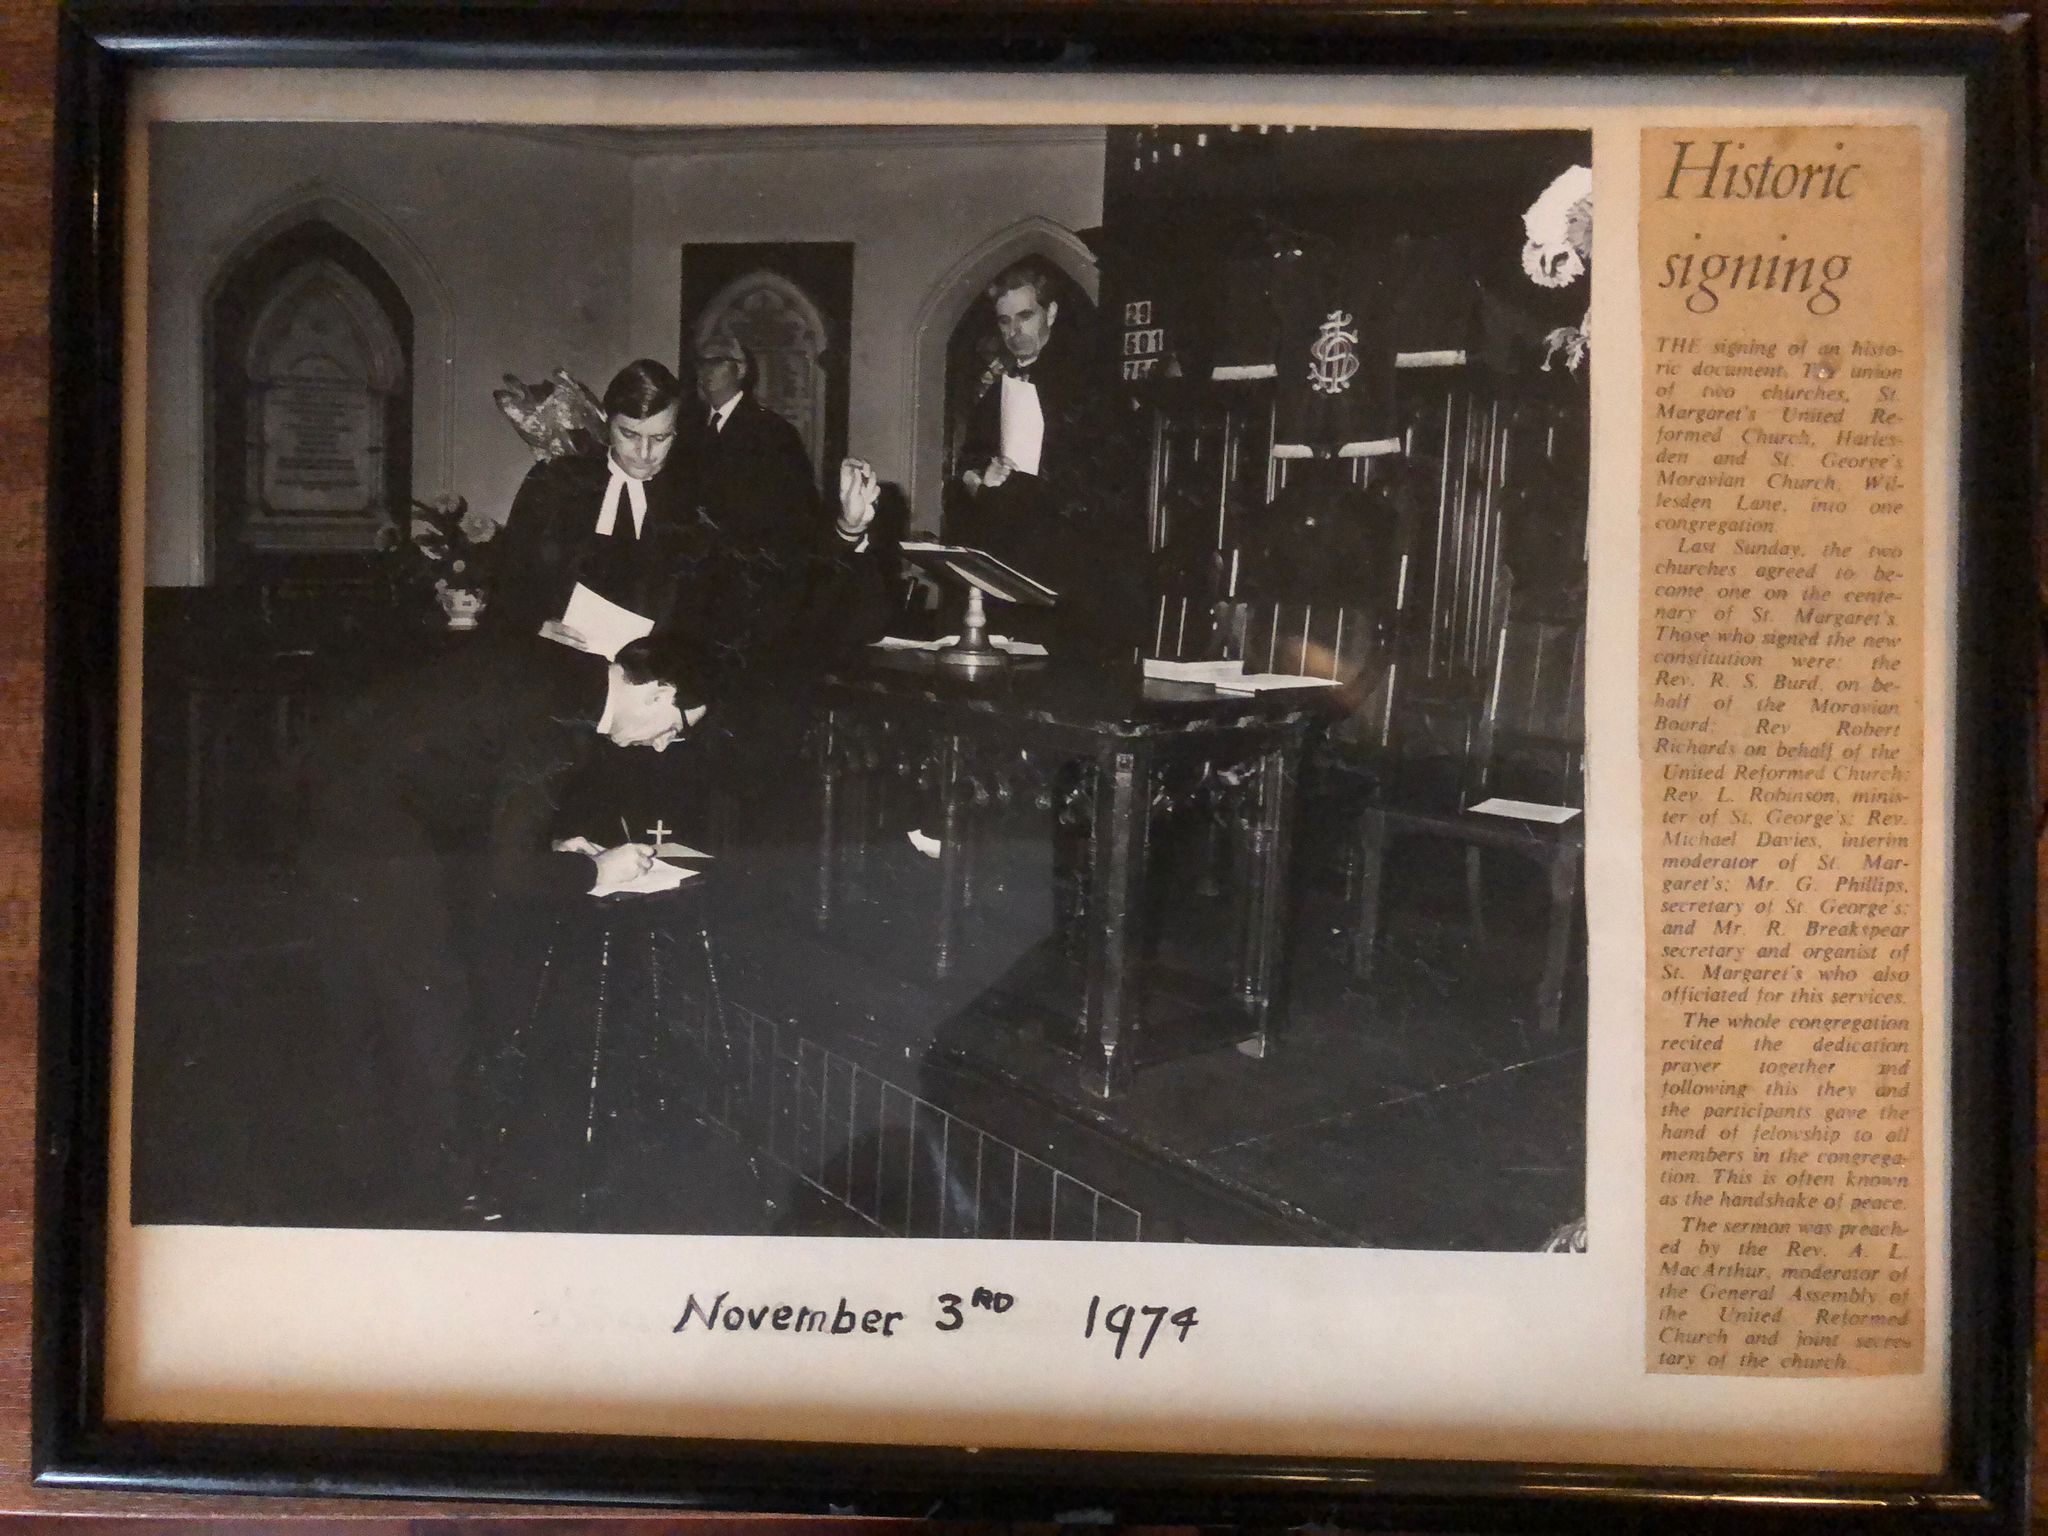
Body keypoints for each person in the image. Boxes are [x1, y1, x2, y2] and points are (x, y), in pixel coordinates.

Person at [294, 630, 708, 1215]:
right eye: (678, 727)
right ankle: (445, 1194)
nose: (665, 746)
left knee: (363, 1000)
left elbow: (469, 765)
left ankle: (361, 1175)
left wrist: (555, 846)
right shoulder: (562, 725)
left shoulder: (564, 668)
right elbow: (506, 876)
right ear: (658, 692)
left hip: (332, 799)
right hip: (374, 831)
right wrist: (596, 874)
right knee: (431, 1003)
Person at [944, 259, 1142, 659]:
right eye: (1004, 322)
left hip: (1073, 571)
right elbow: (968, 464)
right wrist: (980, 477)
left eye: (1025, 316)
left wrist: (1029, 482)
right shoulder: (997, 388)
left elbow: (1112, 481)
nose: (1014, 332)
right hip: (1010, 566)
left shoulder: (1092, 385)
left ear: (1050, 313)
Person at [486, 359, 690, 641]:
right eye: (629, 434)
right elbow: (508, 580)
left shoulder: (691, 501)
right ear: (607, 422)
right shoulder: (556, 481)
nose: (644, 452)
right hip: (558, 665)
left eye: (660, 437)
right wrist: (536, 624)